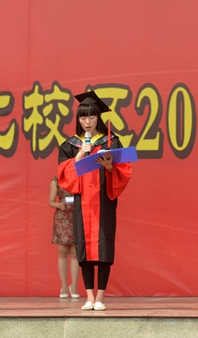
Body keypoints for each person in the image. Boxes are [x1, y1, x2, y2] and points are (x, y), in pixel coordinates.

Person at [57, 91, 132, 311]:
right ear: (78, 119)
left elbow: (124, 170)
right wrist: (79, 156)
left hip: (103, 202)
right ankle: (89, 296)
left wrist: (109, 167)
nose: (87, 121)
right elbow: (63, 175)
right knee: (84, 249)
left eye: (91, 116)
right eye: (83, 117)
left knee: (104, 248)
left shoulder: (111, 141)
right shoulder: (70, 145)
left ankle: (101, 296)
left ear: (98, 117)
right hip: (82, 203)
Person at [49, 176, 80, 299]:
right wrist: (59, 205)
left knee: (75, 253)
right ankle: (64, 286)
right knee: (62, 252)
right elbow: (51, 201)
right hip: (62, 218)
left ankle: (74, 286)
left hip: (77, 216)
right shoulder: (56, 181)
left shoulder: (79, 177)